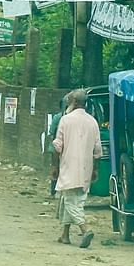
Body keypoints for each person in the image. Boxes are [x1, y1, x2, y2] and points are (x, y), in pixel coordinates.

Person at [53, 89, 103, 248]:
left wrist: (54, 166)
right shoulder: (93, 122)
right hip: (86, 167)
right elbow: (97, 151)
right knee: (76, 199)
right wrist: (95, 169)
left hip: (68, 165)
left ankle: (84, 228)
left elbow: (57, 146)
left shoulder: (65, 120)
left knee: (70, 200)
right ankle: (65, 234)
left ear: (74, 102)